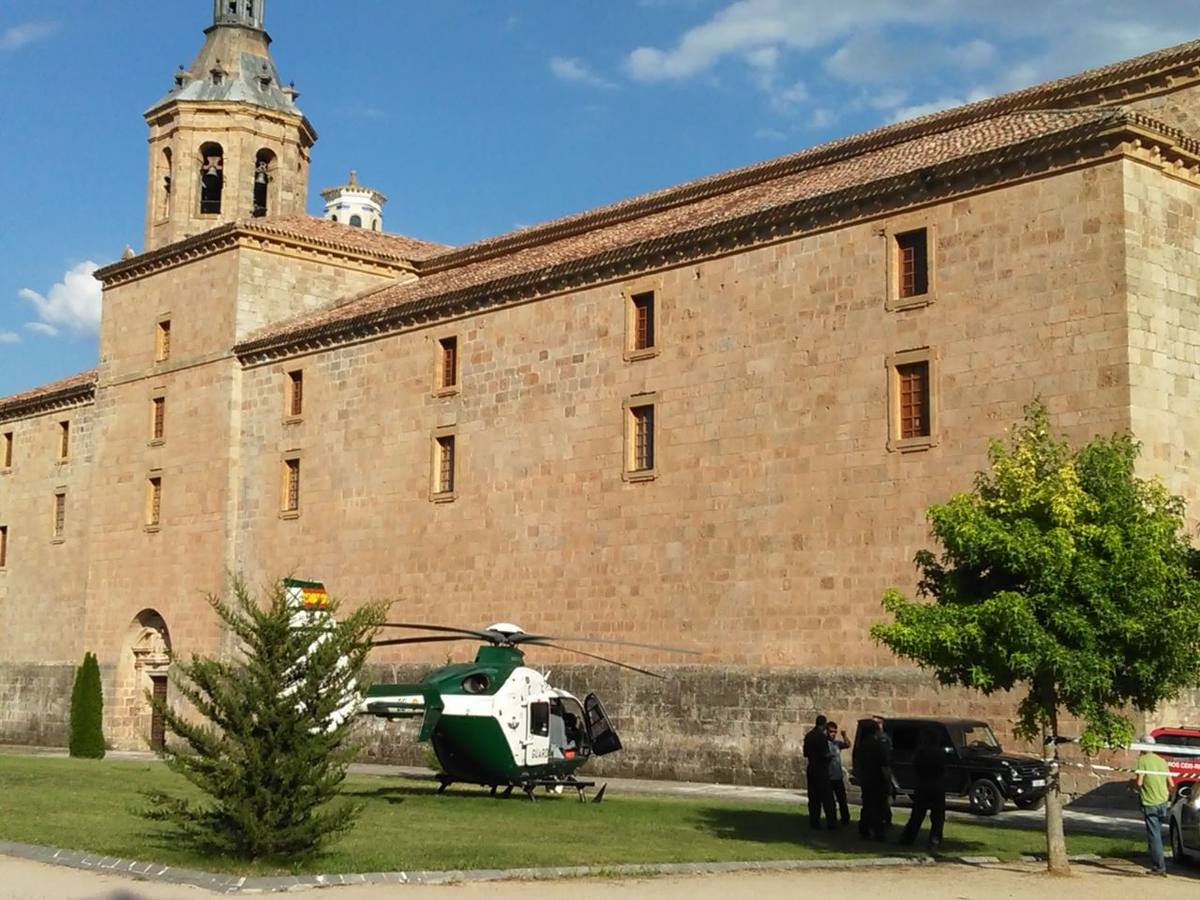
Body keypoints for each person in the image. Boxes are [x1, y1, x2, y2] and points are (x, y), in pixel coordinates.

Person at [899, 727, 947, 850]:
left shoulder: (921, 752)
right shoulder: (940, 752)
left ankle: (907, 839)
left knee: (917, 814)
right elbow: (943, 769)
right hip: (937, 785)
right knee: (938, 816)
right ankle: (935, 840)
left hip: (923, 785)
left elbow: (915, 766)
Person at [1135, 733, 1175, 876]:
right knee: (1157, 832)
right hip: (1163, 801)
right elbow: (1171, 784)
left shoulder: (1142, 760)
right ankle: (1156, 859)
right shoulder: (1162, 761)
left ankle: (1159, 866)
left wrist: (1134, 787)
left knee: (1154, 835)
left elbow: (1139, 782)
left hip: (1149, 801)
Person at [856, 719, 893, 840]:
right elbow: (884, 761)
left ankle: (864, 830)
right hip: (878, 778)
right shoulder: (879, 744)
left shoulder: (863, 744)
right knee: (879, 807)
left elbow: (859, 761)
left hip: (867, 778)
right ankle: (878, 832)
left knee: (867, 805)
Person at [803, 714, 836, 829]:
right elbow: (825, 754)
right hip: (821, 769)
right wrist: (831, 757)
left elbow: (805, 753)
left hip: (811, 768)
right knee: (827, 798)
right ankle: (831, 823)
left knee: (813, 798)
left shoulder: (808, 736)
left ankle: (814, 822)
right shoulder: (821, 737)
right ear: (823, 725)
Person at [826, 720, 852, 826]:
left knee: (842, 800)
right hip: (828, 777)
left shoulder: (836, 744)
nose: (833, 734)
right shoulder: (824, 743)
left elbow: (848, 744)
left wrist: (844, 735)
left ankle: (845, 819)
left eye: (835, 732)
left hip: (838, 777)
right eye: (831, 731)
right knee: (830, 802)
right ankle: (832, 821)